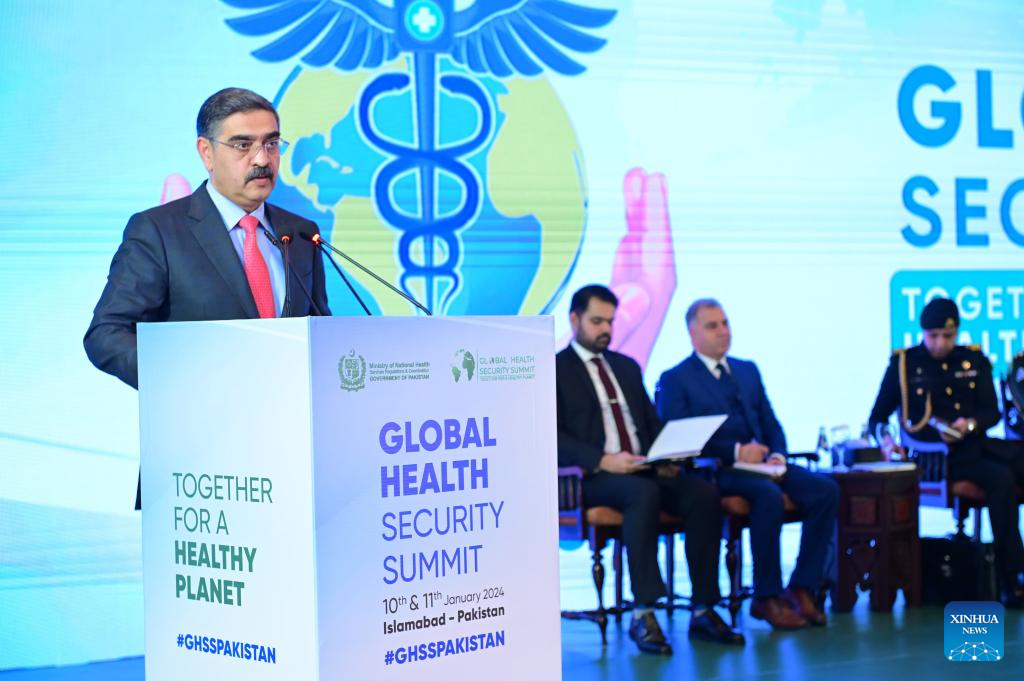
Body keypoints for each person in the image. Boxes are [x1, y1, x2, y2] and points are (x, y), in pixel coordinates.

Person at [84, 87, 330, 508]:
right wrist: (189, 384)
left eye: (272, 143)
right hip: (197, 470)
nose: (262, 159)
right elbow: (106, 334)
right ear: (206, 152)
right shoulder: (159, 231)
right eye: (243, 145)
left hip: (291, 465)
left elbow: (320, 329)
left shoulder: (301, 233)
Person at [556, 285, 744, 654]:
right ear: (574, 320)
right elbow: (553, 436)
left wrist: (669, 452)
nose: (606, 329)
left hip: (642, 469)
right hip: (592, 477)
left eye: (610, 321)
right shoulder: (555, 370)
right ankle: (644, 612)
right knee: (642, 493)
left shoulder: (626, 367)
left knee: (702, 494)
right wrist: (603, 460)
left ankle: (704, 608)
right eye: (597, 321)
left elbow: (650, 424)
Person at [656, 298, 838, 629]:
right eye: (713, 326)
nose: (723, 331)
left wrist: (778, 454)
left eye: (725, 323)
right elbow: (679, 438)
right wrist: (737, 451)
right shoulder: (676, 379)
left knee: (825, 490)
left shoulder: (747, 370)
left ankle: (802, 586)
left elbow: (770, 422)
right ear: (693, 334)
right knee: (767, 495)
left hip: (765, 465)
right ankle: (766, 596)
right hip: (717, 470)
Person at [868, 297, 1024, 607]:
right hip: (935, 459)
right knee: (1001, 479)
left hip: (973, 444)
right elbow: (877, 418)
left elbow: (991, 413)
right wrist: (886, 441)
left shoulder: (973, 360)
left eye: (947, 336)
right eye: (934, 335)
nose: (940, 343)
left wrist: (969, 425)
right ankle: (1012, 577)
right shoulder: (904, 364)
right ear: (923, 333)